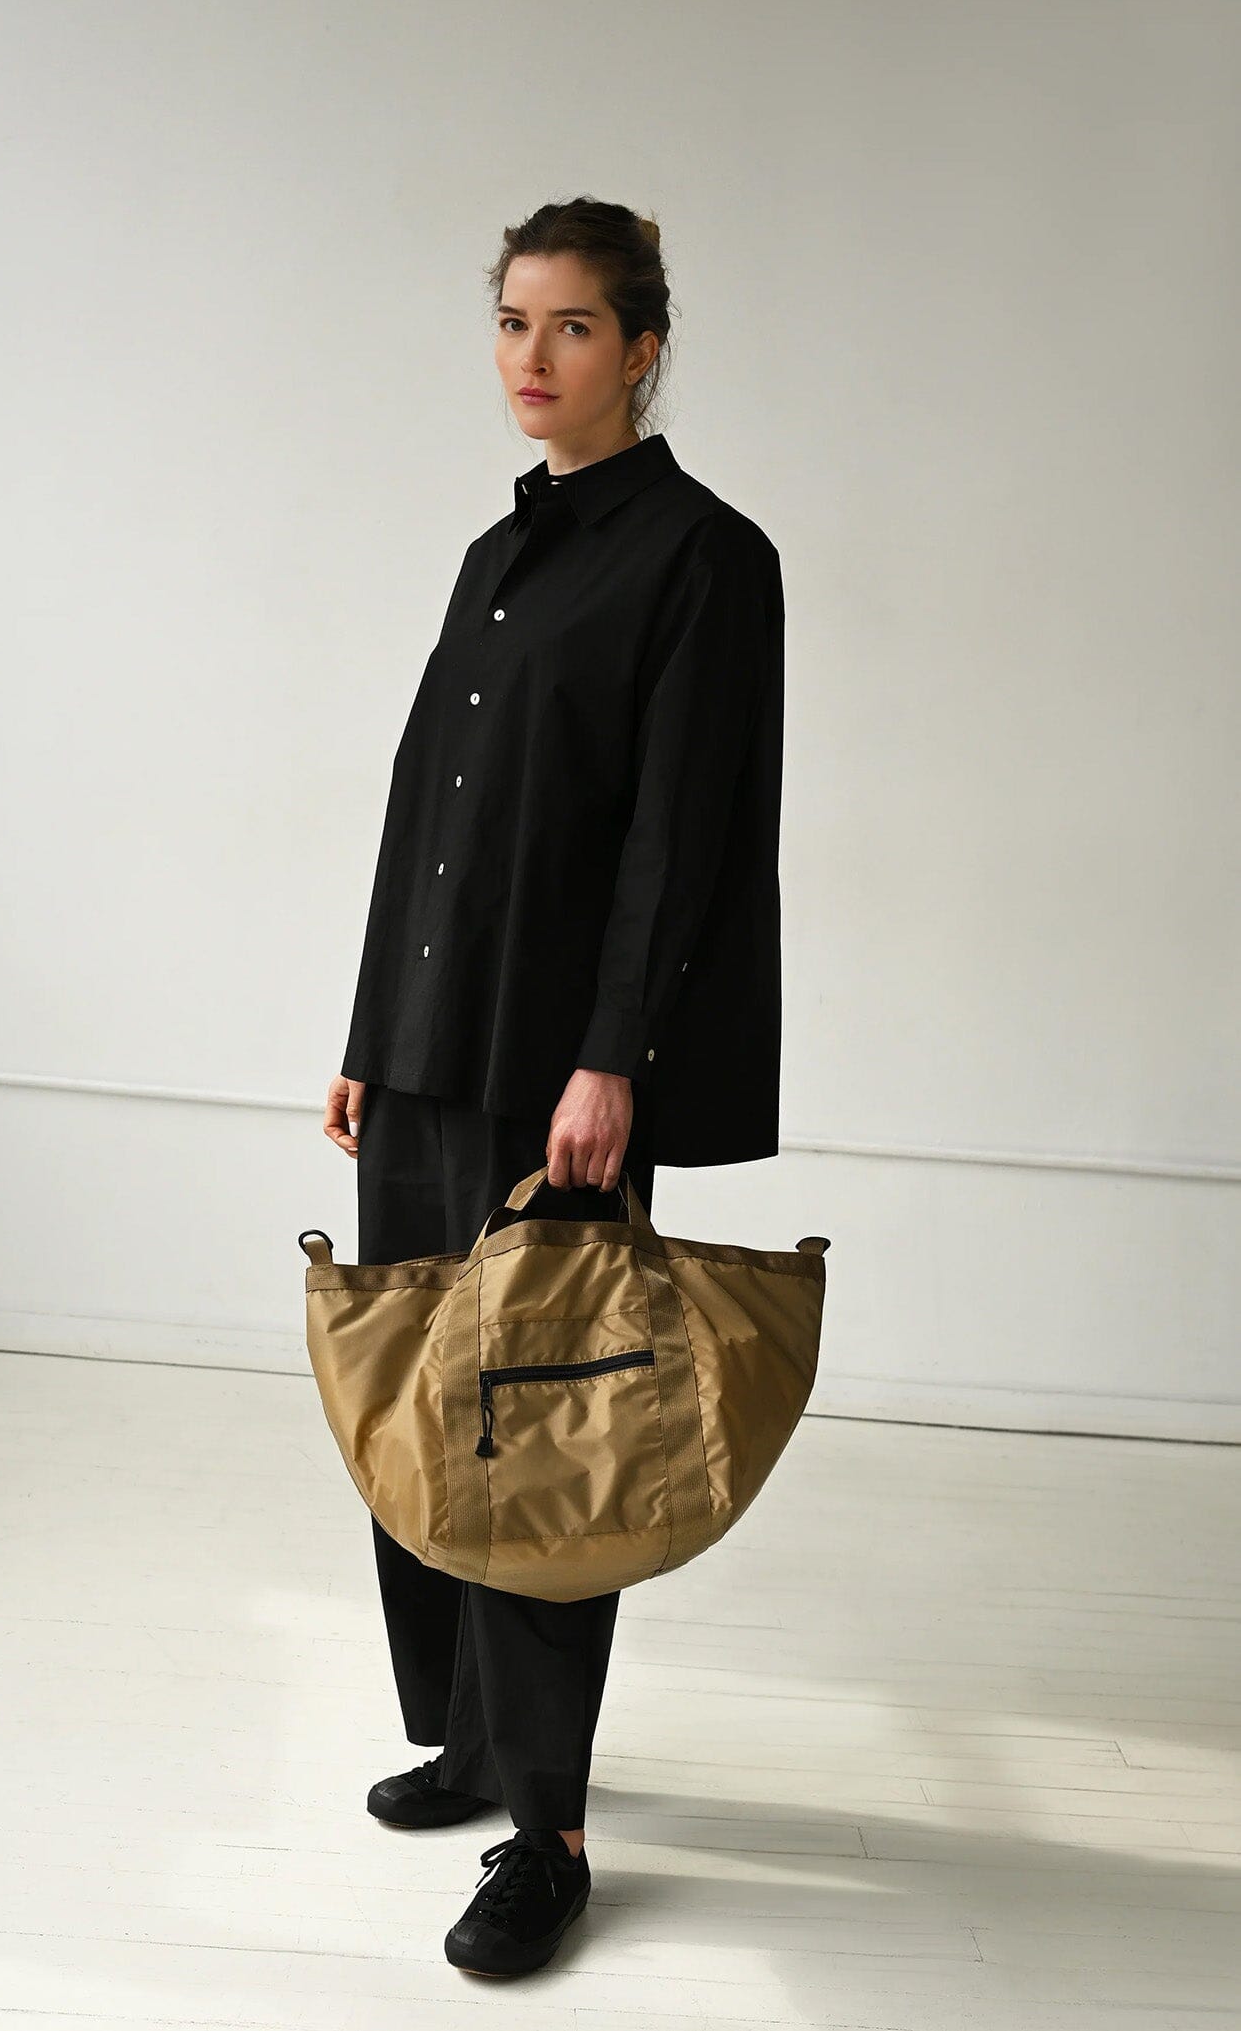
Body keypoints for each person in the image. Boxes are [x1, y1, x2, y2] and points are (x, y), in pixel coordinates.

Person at [321, 195, 785, 1979]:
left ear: (643, 345)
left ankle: (552, 1830)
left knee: (542, 1439)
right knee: (415, 1408)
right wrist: (371, 1031)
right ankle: (465, 1736)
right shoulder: (493, 553)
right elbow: (423, 812)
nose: (534, 358)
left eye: (573, 327)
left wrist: (614, 1063)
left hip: (555, 1077)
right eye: (513, 323)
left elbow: (676, 845)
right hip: (433, 1055)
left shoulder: (702, 558)